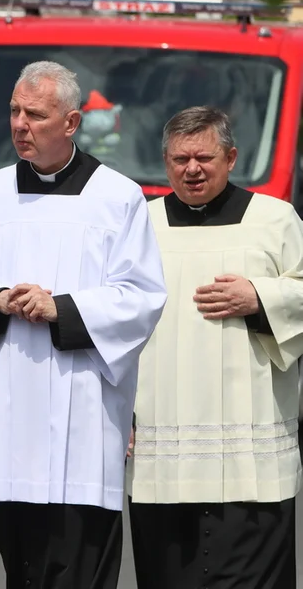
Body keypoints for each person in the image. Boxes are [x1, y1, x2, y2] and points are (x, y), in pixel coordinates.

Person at [0, 60, 168, 589]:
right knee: (21, 564)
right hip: (9, 412)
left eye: (35, 114)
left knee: (81, 563)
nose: (19, 125)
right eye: (14, 111)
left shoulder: (116, 197)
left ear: (71, 123)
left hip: (84, 416)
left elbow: (142, 296)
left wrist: (63, 309)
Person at [127, 106, 303, 588]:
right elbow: (114, 317)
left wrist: (260, 296)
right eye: (180, 158)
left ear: (230, 157)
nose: (192, 169)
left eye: (204, 157)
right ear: (165, 162)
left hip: (251, 447)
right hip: (165, 438)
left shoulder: (275, 218)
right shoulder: (140, 224)